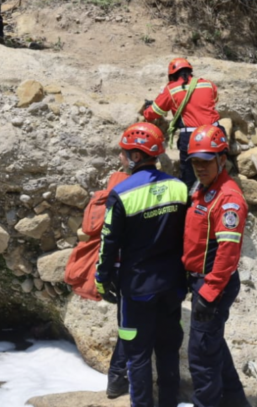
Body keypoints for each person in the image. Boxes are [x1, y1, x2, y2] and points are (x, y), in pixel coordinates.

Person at [95, 122, 189, 407]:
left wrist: (102, 278)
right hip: (173, 285)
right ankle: (169, 402)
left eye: (124, 153)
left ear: (136, 156)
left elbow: (108, 242)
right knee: (168, 350)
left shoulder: (122, 193)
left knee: (137, 355)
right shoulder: (180, 188)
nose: (121, 158)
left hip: (136, 288)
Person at [182, 124, 251, 407]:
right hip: (200, 280)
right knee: (213, 345)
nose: (200, 167)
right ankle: (236, 401)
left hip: (214, 285)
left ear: (222, 160)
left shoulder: (229, 199)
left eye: (206, 161)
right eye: (195, 161)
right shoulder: (203, 187)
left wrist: (209, 293)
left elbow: (227, 253)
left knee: (201, 356)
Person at [63, 170, 131, 398]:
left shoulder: (105, 199)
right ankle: (120, 379)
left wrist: (102, 278)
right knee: (132, 329)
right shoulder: (130, 196)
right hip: (132, 274)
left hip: (115, 274)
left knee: (127, 328)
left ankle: (117, 378)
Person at [142, 58, 220, 189]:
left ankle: (190, 205)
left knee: (189, 178)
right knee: (217, 172)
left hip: (191, 137)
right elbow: (214, 100)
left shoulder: (171, 89)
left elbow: (152, 113)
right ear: (190, 72)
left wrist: (147, 108)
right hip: (215, 133)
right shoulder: (208, 84)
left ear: (172, 76)